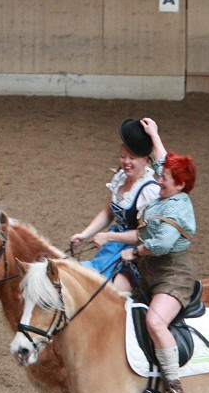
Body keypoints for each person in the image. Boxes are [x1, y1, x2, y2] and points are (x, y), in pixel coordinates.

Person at [118, 117, 198, 393]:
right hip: (150, 273)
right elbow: (165, 161)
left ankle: (175, 387)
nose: (158, 179)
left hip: (171, 276)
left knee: (154, 322)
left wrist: (135, 251)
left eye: (164, 178)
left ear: (179, 185)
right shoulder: (170, 190)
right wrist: (154, 135)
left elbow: (162, 244)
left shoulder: (177, 207)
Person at [69, 119, 161, 285]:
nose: (126, 162)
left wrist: (110, 236)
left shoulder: (149, 191)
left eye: (132, 158)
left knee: (115, 289)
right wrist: (85, 234)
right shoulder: (120, 178)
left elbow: (146, 235)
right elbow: (108, 212)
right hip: (115, 246)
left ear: (145, 160)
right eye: (122, 156)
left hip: (139, 251)